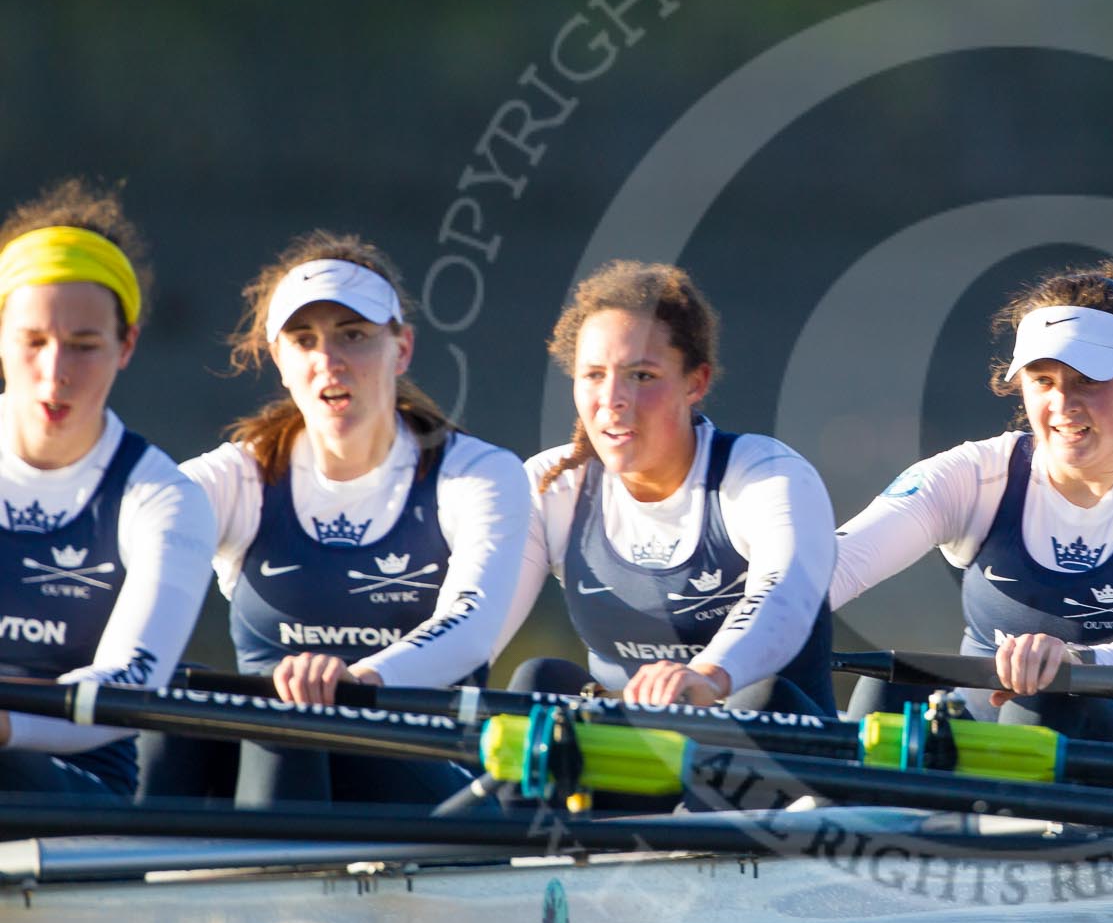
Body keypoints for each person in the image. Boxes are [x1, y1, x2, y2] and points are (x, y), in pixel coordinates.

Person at [146, 233, 529, 807]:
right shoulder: (238, 478)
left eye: (354, 336)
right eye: (304, 341)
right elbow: (119, 547)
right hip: (273, 766)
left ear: (401, 349)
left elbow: (470, 626)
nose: (329, 360)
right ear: (280, 361)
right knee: (174, 703)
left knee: (291, 716)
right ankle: (124, 880)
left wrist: (358, 683)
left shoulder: (477, 473)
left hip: (431, 780)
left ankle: (274, 885)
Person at [835, 262, 1113, 748]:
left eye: (1087, 381)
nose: (1064, 404)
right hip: (984, 737)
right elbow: (833, 568)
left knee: (1050, 692)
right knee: (885, 691)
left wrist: (1080, 662)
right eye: (1043, 381)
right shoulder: (972, 474)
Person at [499, 261, 837, 718]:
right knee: (538, 682)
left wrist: (708, 676)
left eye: (641, 376)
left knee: (762, 697)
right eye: (594, 375)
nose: (612, 399)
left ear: (695, 382)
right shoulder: (553, 485)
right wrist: (381, 677)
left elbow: (783, 597)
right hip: (632, 755)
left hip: (770, 756)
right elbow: (480, 616)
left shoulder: (766, 476)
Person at [0, 181, 215, 797]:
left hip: (82, 784)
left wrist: (8, 726)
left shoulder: (164, 499)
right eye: (33, 342)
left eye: (85, 346)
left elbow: (128, 680)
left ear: (127, 345)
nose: (55, 372)